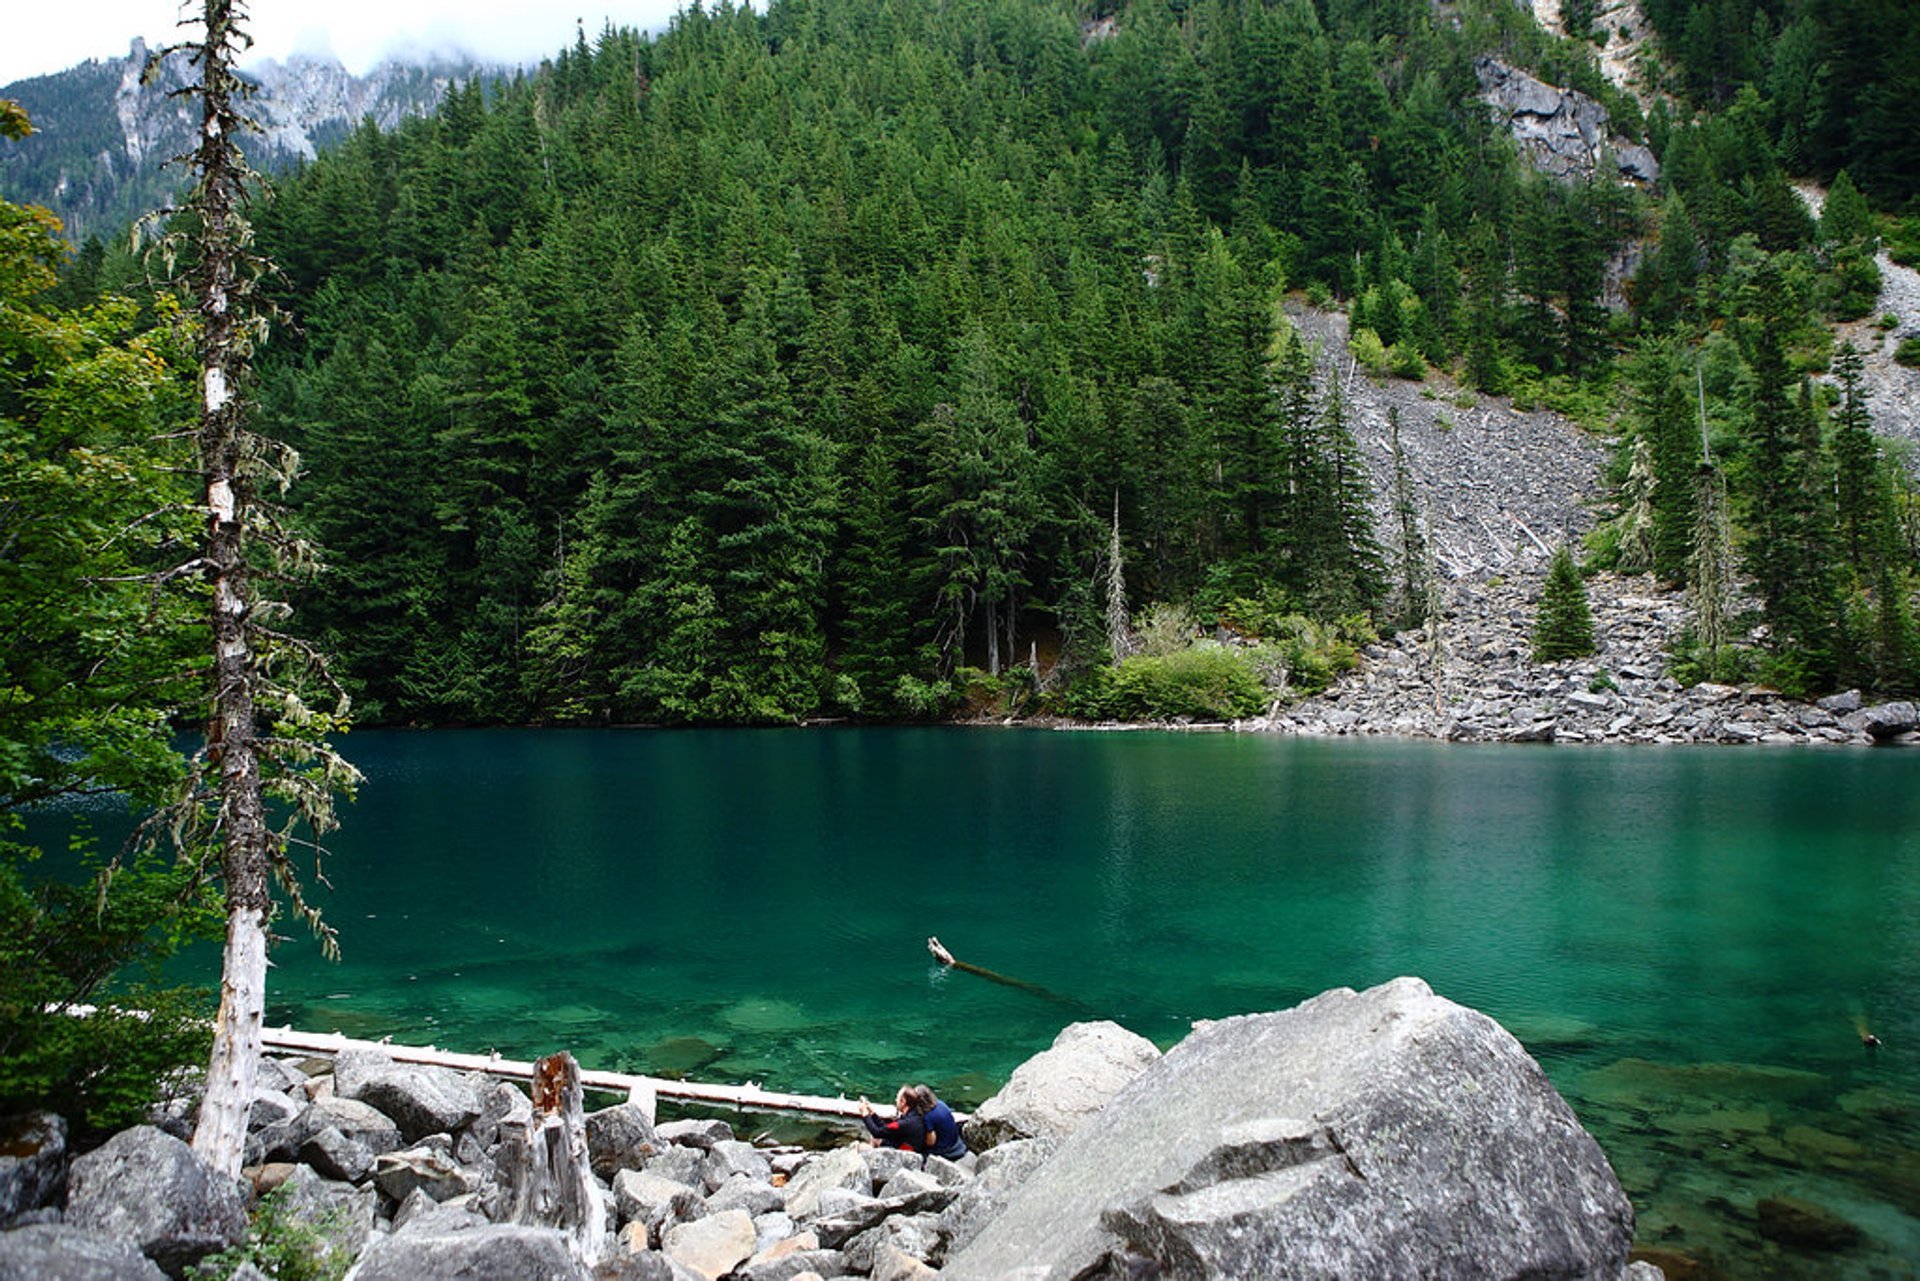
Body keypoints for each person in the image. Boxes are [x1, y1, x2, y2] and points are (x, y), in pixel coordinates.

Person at [908, 1083, 968, 1161]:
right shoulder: (940, 1103)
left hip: (945, 1151)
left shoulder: (928, 1116)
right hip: (955, 1143)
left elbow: (931, 1142)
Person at [858, 1086, 927, 1152]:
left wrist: (865, 1114)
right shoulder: (914, 1116)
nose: (895, 1100)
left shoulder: (905, 1123)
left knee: (860, 1146)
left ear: (903, 1102)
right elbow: (886, 1129)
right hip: (906, 1147)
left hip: (903, 1155)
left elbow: (876, 1132)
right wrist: (873, 1114)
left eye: (897, 1098)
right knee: (875, 1139)